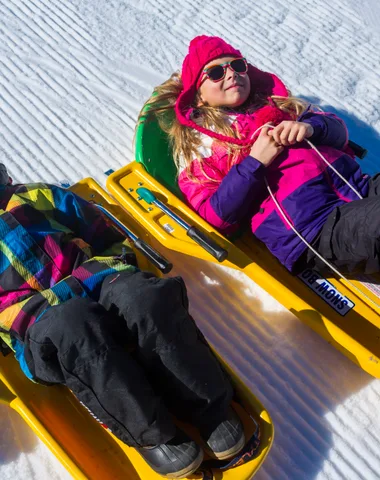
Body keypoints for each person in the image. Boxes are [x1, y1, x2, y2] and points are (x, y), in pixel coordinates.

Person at [0, 165, 245, 479]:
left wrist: (116, 265)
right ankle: (152, 434)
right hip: (41, 326)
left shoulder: (33, 196)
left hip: (99, 281)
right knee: (73, 325)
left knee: (144, 299)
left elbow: (102, 232)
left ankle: (207, 404)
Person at [140, 35, 380, 276]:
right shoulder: (199, 145)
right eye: (215, 73)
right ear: (198, 95)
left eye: (237, 65)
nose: (232, 74)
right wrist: (255, 162)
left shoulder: (279, 105)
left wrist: (311, 128)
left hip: (360, 189)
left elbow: (340, 135)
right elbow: (214, 215)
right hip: (315, 229)